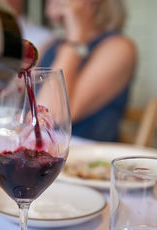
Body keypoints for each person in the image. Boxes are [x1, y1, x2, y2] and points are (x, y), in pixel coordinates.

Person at [39, 0, 137, 141]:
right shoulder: (50, 45)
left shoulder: (119, 48)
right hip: (45, 155)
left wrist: (75, 38)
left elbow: (52, 116)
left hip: (91, 159)